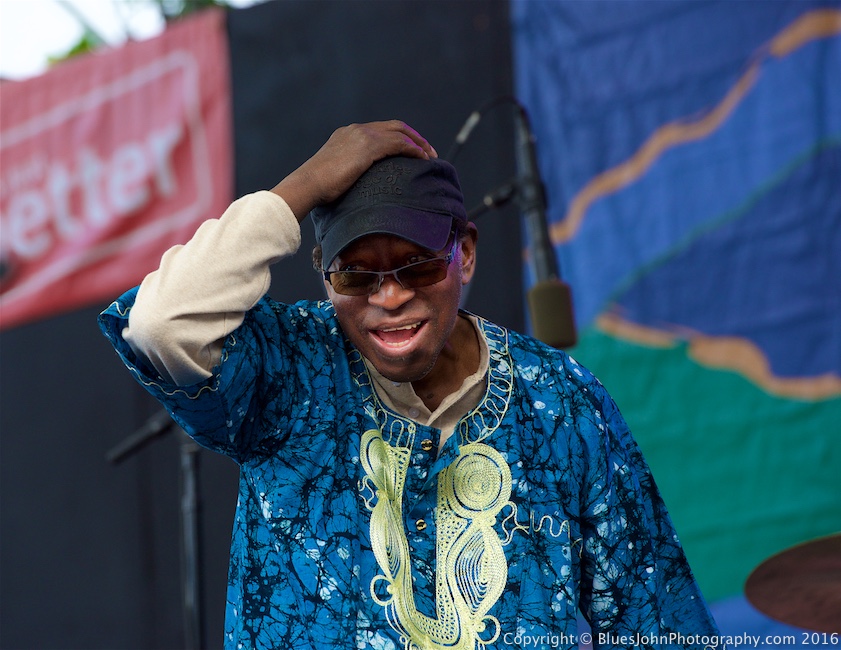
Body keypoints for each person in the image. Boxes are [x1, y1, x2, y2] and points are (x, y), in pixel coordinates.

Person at [99, 121, 719, 649]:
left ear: (465, 253)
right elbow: (159, 323)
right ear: (324, 274)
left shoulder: (562, 402)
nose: (389, 297)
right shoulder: (287, 368)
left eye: (417, 264)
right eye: (356, 275)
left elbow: (657, 618)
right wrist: (306, 185)